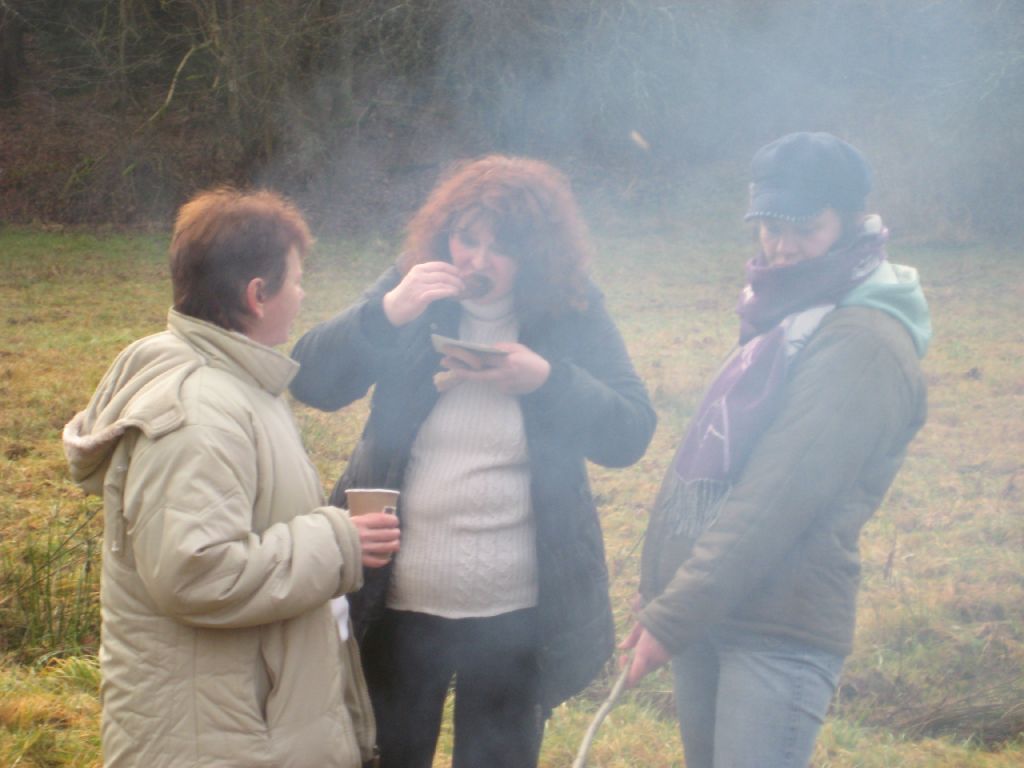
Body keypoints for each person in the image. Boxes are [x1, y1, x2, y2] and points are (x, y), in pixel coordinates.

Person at [289, 155, 657, 768]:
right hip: (396, 598)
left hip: (515, 614)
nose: (477, 261)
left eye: (500, 247)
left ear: (536, 253)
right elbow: (313, 382)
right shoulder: (414, 287)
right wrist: (388, 311)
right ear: (444, 235)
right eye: (466, 239)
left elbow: (631, 433)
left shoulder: (568, 309)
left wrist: (548, 382)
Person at [621, 132, 931, 768]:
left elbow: (775, 501)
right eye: (770, 227)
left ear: (850, 223)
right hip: (715, 611)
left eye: (805, 229)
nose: (783, 248)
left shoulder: (862, 342)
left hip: (777, 630)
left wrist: (675, 613)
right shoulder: (784, 317)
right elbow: (715, 469)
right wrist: (668, 594)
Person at [62, 188, 400, 768]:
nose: (303, 294)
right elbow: (196, 572)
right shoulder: (199, 412)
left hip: (242, 724)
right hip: (218, 740)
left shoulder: (240, 384)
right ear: (257, 295)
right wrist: (338, 540)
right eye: (297, 281)